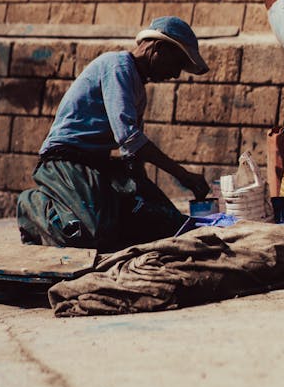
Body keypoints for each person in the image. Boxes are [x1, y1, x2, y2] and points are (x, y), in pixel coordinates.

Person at [17, 17, 211, 251]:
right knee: (93, 232)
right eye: (177, 63)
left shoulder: (138, 88)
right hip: (65, 161)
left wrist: (147, 198)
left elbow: (132, 153)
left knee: (161, 222)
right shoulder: (117, 67)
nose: (176, 74)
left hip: (98, 164)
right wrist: (184, 175)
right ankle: (32, 206)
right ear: (158, 49)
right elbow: (128, 138)